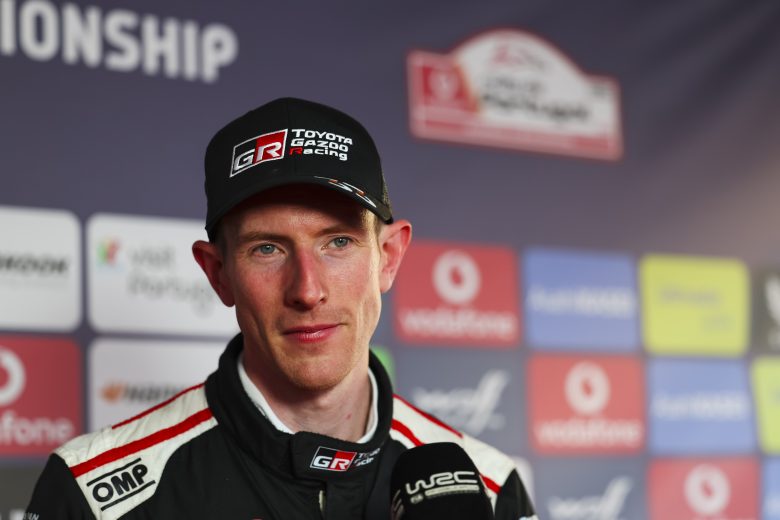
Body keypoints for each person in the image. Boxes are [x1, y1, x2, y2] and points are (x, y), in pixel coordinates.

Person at [25, 98, 537, 519]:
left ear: (388, 257)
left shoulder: (492, 491)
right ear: (218, 273)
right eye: (267, 248)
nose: (307, 290)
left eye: (337, 242)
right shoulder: (90, 497)